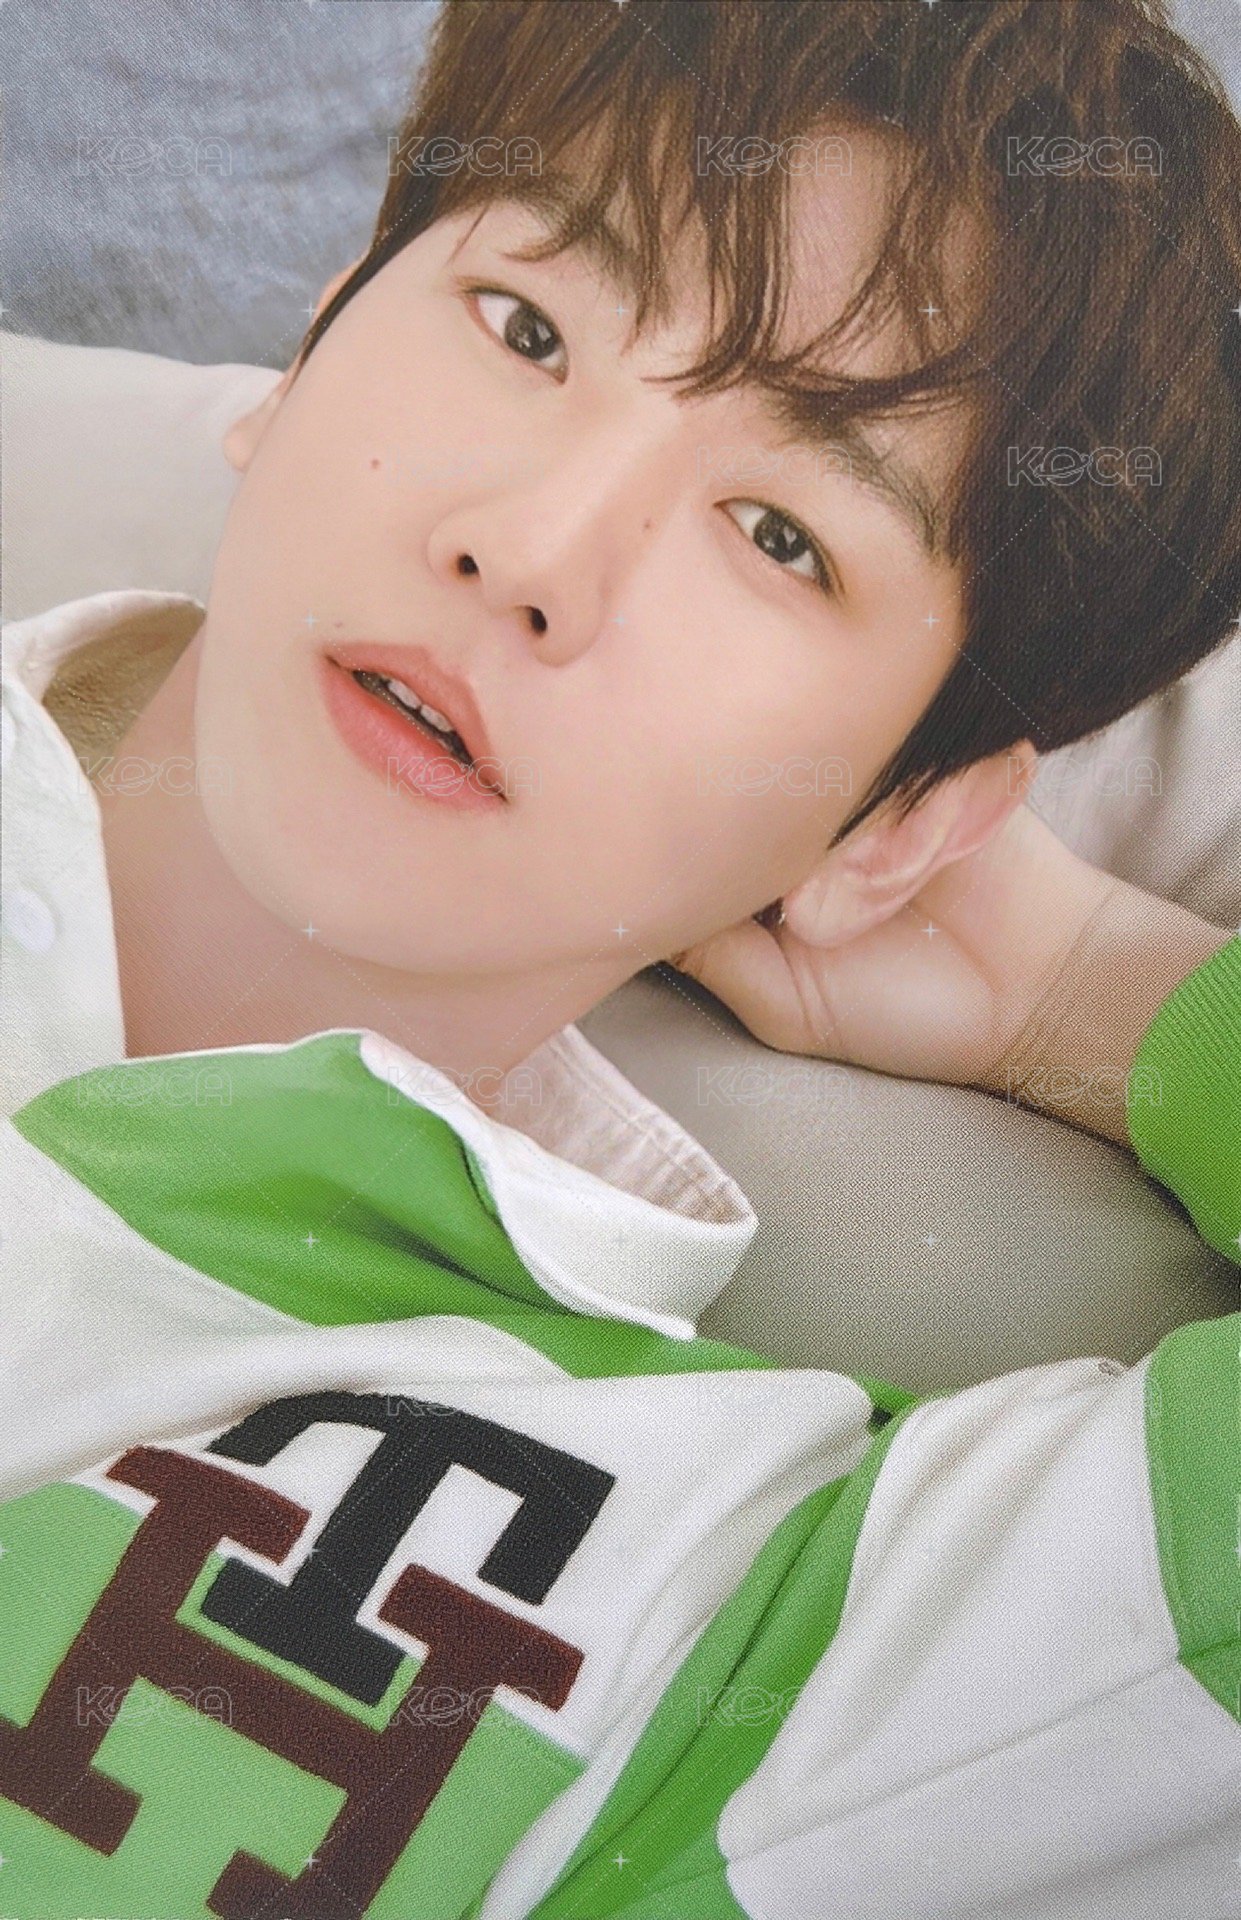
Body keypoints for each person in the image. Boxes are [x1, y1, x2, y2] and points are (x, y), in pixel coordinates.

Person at [0, 2, 1237, 1914]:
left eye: (778, 533)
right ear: (307, 358)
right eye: (525, 329)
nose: (530, 550)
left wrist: (1093, 1000)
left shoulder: (701, 1582)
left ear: (897, 828)